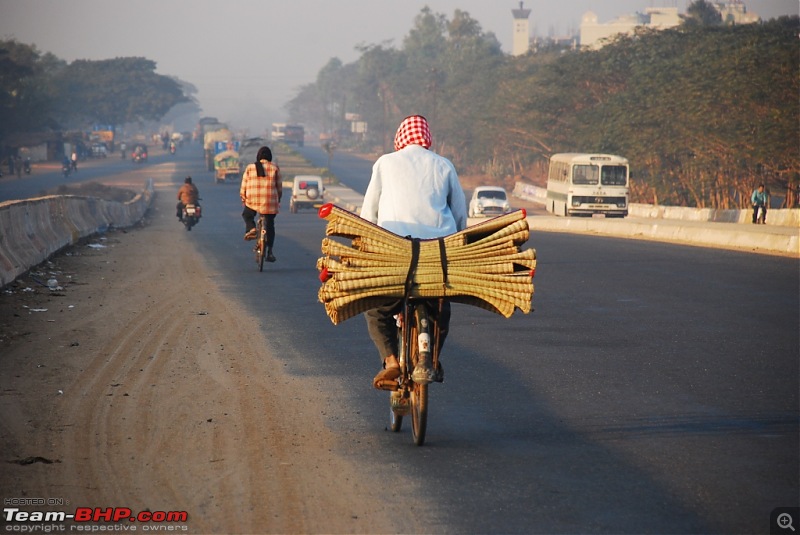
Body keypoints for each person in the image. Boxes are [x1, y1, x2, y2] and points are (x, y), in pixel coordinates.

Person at [360, 114, 467, 389]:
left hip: (395, 254)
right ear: (427, 138)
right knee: (441, 311)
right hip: (436, 256)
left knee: (376, 309)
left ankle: (391, 362)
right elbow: (460, 216)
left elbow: (369, 212)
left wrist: (365, 246)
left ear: (400, 138)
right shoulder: (444, 165)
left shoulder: (385, 163)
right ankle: (431, 358)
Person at [240, 146, 282, 262]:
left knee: (247, 215)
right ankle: (270, 251)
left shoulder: (250, 168)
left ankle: (252, 228)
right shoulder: (274, 168)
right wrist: (278, 200)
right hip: (269, 202)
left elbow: (243, 187)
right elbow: (279, 188)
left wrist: (244, 198)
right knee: (270, 225)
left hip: (252, 201)